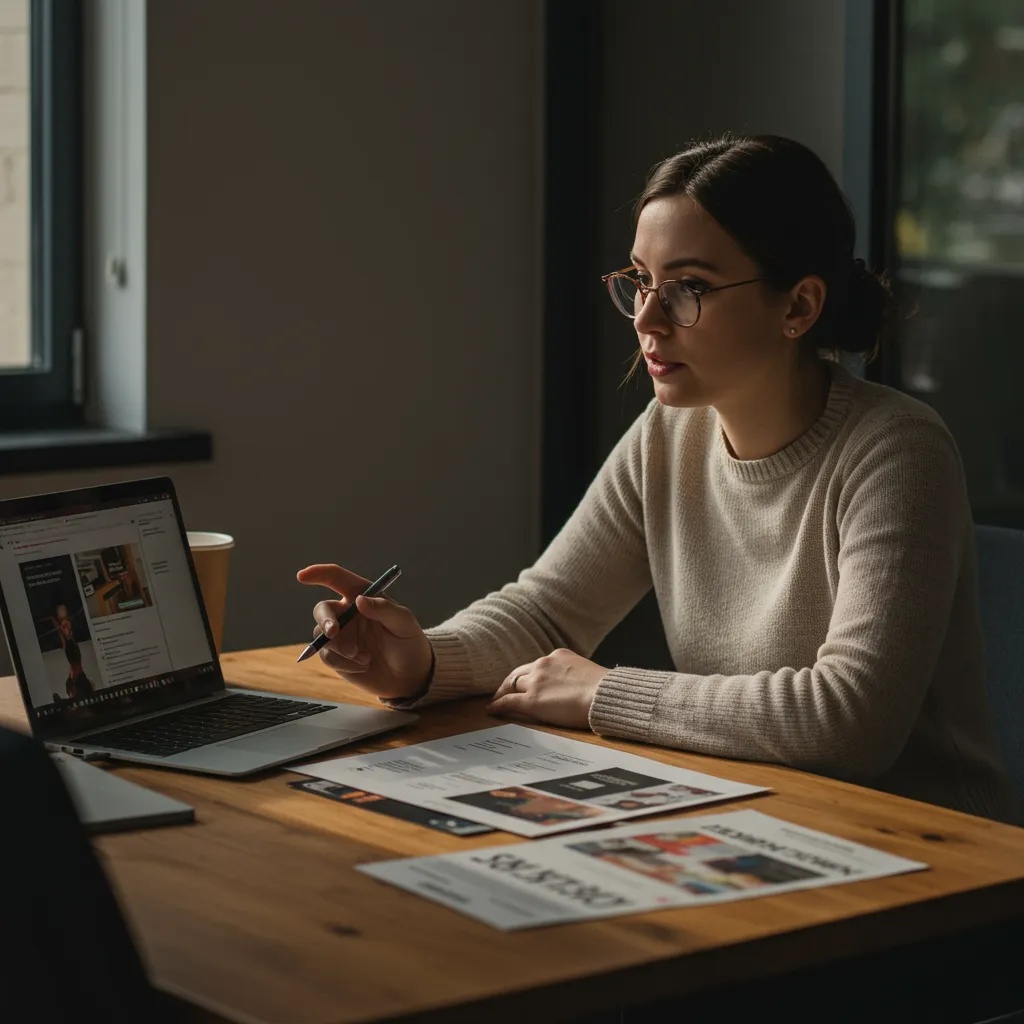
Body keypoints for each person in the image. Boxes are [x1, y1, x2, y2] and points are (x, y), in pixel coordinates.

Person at [299, 133, 1017, 824]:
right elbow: (548, 613)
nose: (646, 318)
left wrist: (604, 694)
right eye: (641, 280)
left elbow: (850, 721)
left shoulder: (897, 451)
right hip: (765, 816)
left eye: (689, 287)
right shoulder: (670, 434)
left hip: (938, 859)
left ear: (798, 306)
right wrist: (422, 661)